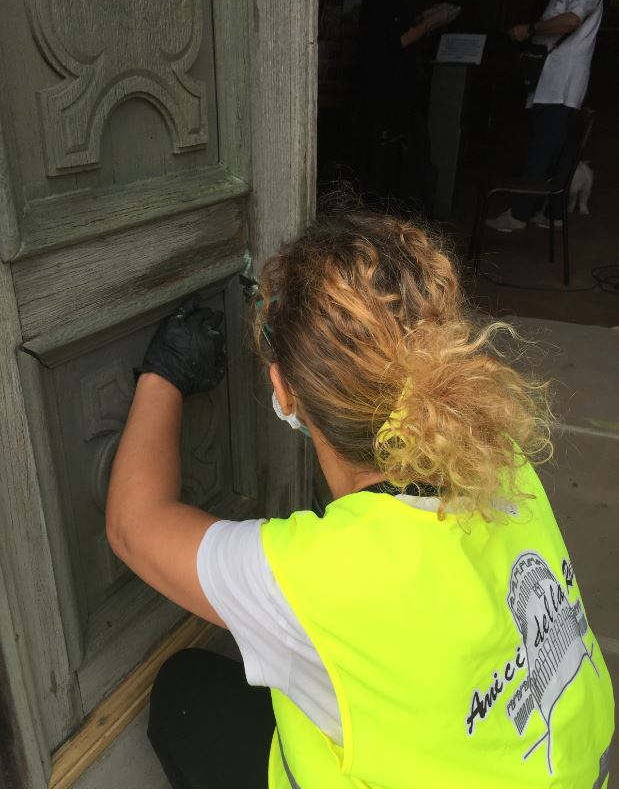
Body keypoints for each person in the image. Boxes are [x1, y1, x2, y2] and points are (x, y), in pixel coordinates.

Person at [106, 205, 615, 788]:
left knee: (184, 693)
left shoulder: (321, 577)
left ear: (283, 392)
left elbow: (132, 523)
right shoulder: (502, 458)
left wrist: (164, 375)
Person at [487, 0, 603, 233]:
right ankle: (553, 214)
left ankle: (518, 215)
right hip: (553, 84)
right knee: (560, 151)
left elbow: (571, 20)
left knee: (542, 149)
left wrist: (530, 29)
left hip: (560, 86)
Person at [356, 0, 457, 215]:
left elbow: (400, 24)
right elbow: (396, 39)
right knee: (387, 158)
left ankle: (397, 210)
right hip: (386, 92)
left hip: (396, 91)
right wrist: (431, 23)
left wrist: (427, 16)